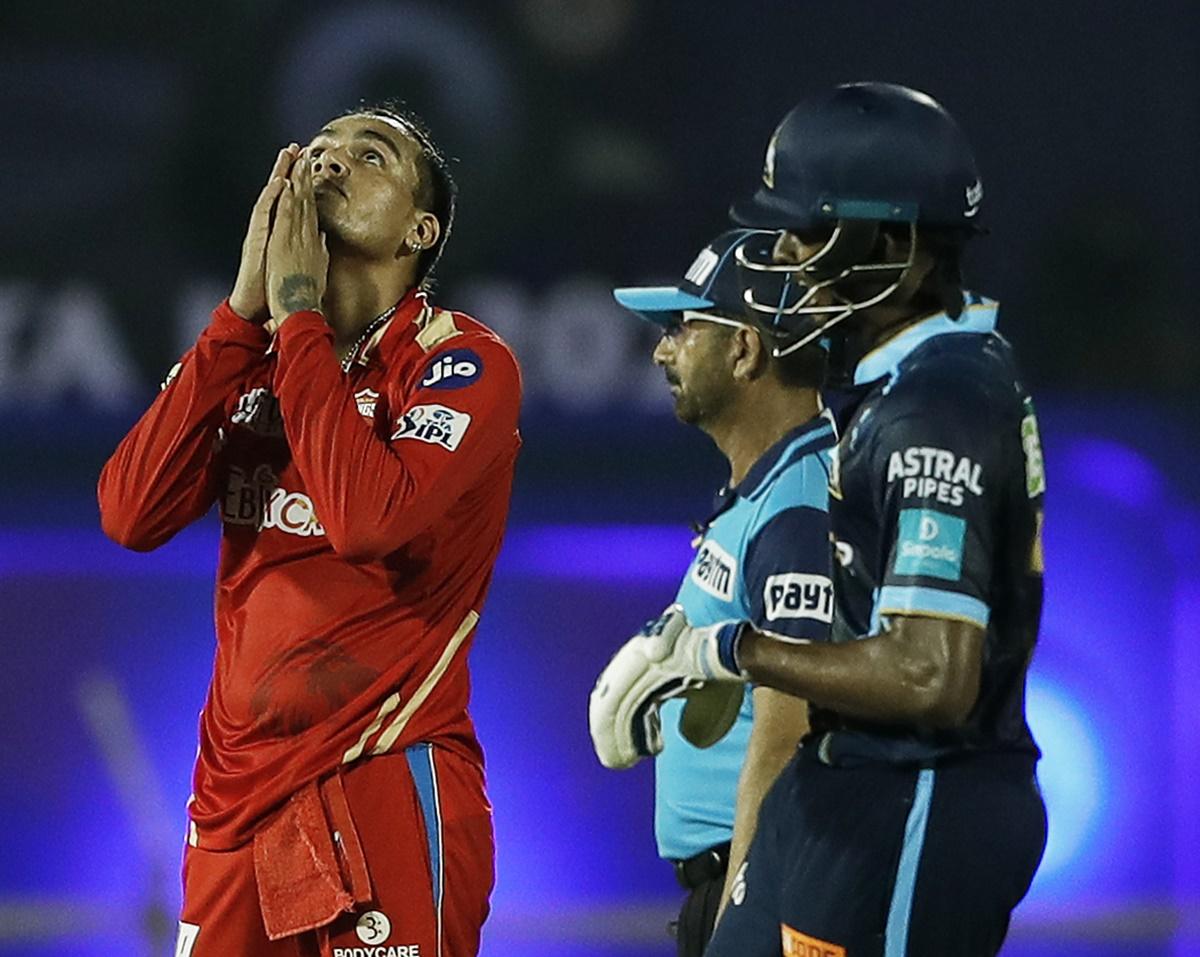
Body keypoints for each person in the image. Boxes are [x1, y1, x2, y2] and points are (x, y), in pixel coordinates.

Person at [593, 82, 1048, 956]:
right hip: (875, 794)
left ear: (894, 241)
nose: (794, 258)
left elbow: (931, 674)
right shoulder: (915, 388)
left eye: (812, 229)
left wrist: (730, 649)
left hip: (923, 798)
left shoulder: (936, 404)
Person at [98, 104, 522, 957]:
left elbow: (369, 520)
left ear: (420, 229)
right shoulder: (247, 355)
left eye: (371, 156)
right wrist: (240, 314)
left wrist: (297, 317)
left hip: (384, 772)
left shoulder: (463, 364)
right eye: (318, 151)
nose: (330, 163)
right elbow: (130, 512)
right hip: (231, 802)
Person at [588, 228, 836, 957]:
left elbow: (788, 730)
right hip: (740, 882)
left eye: (684, 326)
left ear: (745, 349)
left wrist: (742, 921)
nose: (664, 350)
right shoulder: (765, 491)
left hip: (763, 886)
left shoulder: (797, 504)